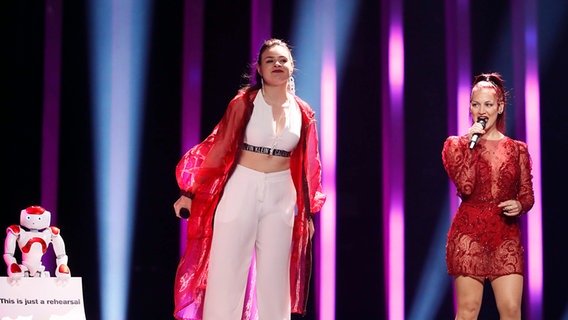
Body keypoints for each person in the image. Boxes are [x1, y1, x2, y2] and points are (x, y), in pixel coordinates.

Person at [172, 38, 326, 320]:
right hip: (242, 186)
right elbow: (217, 150)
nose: (277, 64)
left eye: (282, 60)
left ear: (292, 66)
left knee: (275, 277)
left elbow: (309, 166)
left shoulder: (303, 113)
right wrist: (190, 192)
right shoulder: (244, 103)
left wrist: (307, 213)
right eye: (270, 61)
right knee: (227, 269)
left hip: (281, 194)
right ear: (259, 68)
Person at [442, 72, 535, 320]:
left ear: (500, 107)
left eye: (488, 104)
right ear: (470, 108)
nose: (481, 110)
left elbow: (527, 194)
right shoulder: (456, 145)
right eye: (476, 104)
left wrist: (520, 204)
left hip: (505, 236)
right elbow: (466, 187)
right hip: (469, 234)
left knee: (511, 310)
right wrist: (472, 146)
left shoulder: (518, 150)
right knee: (469, 311)